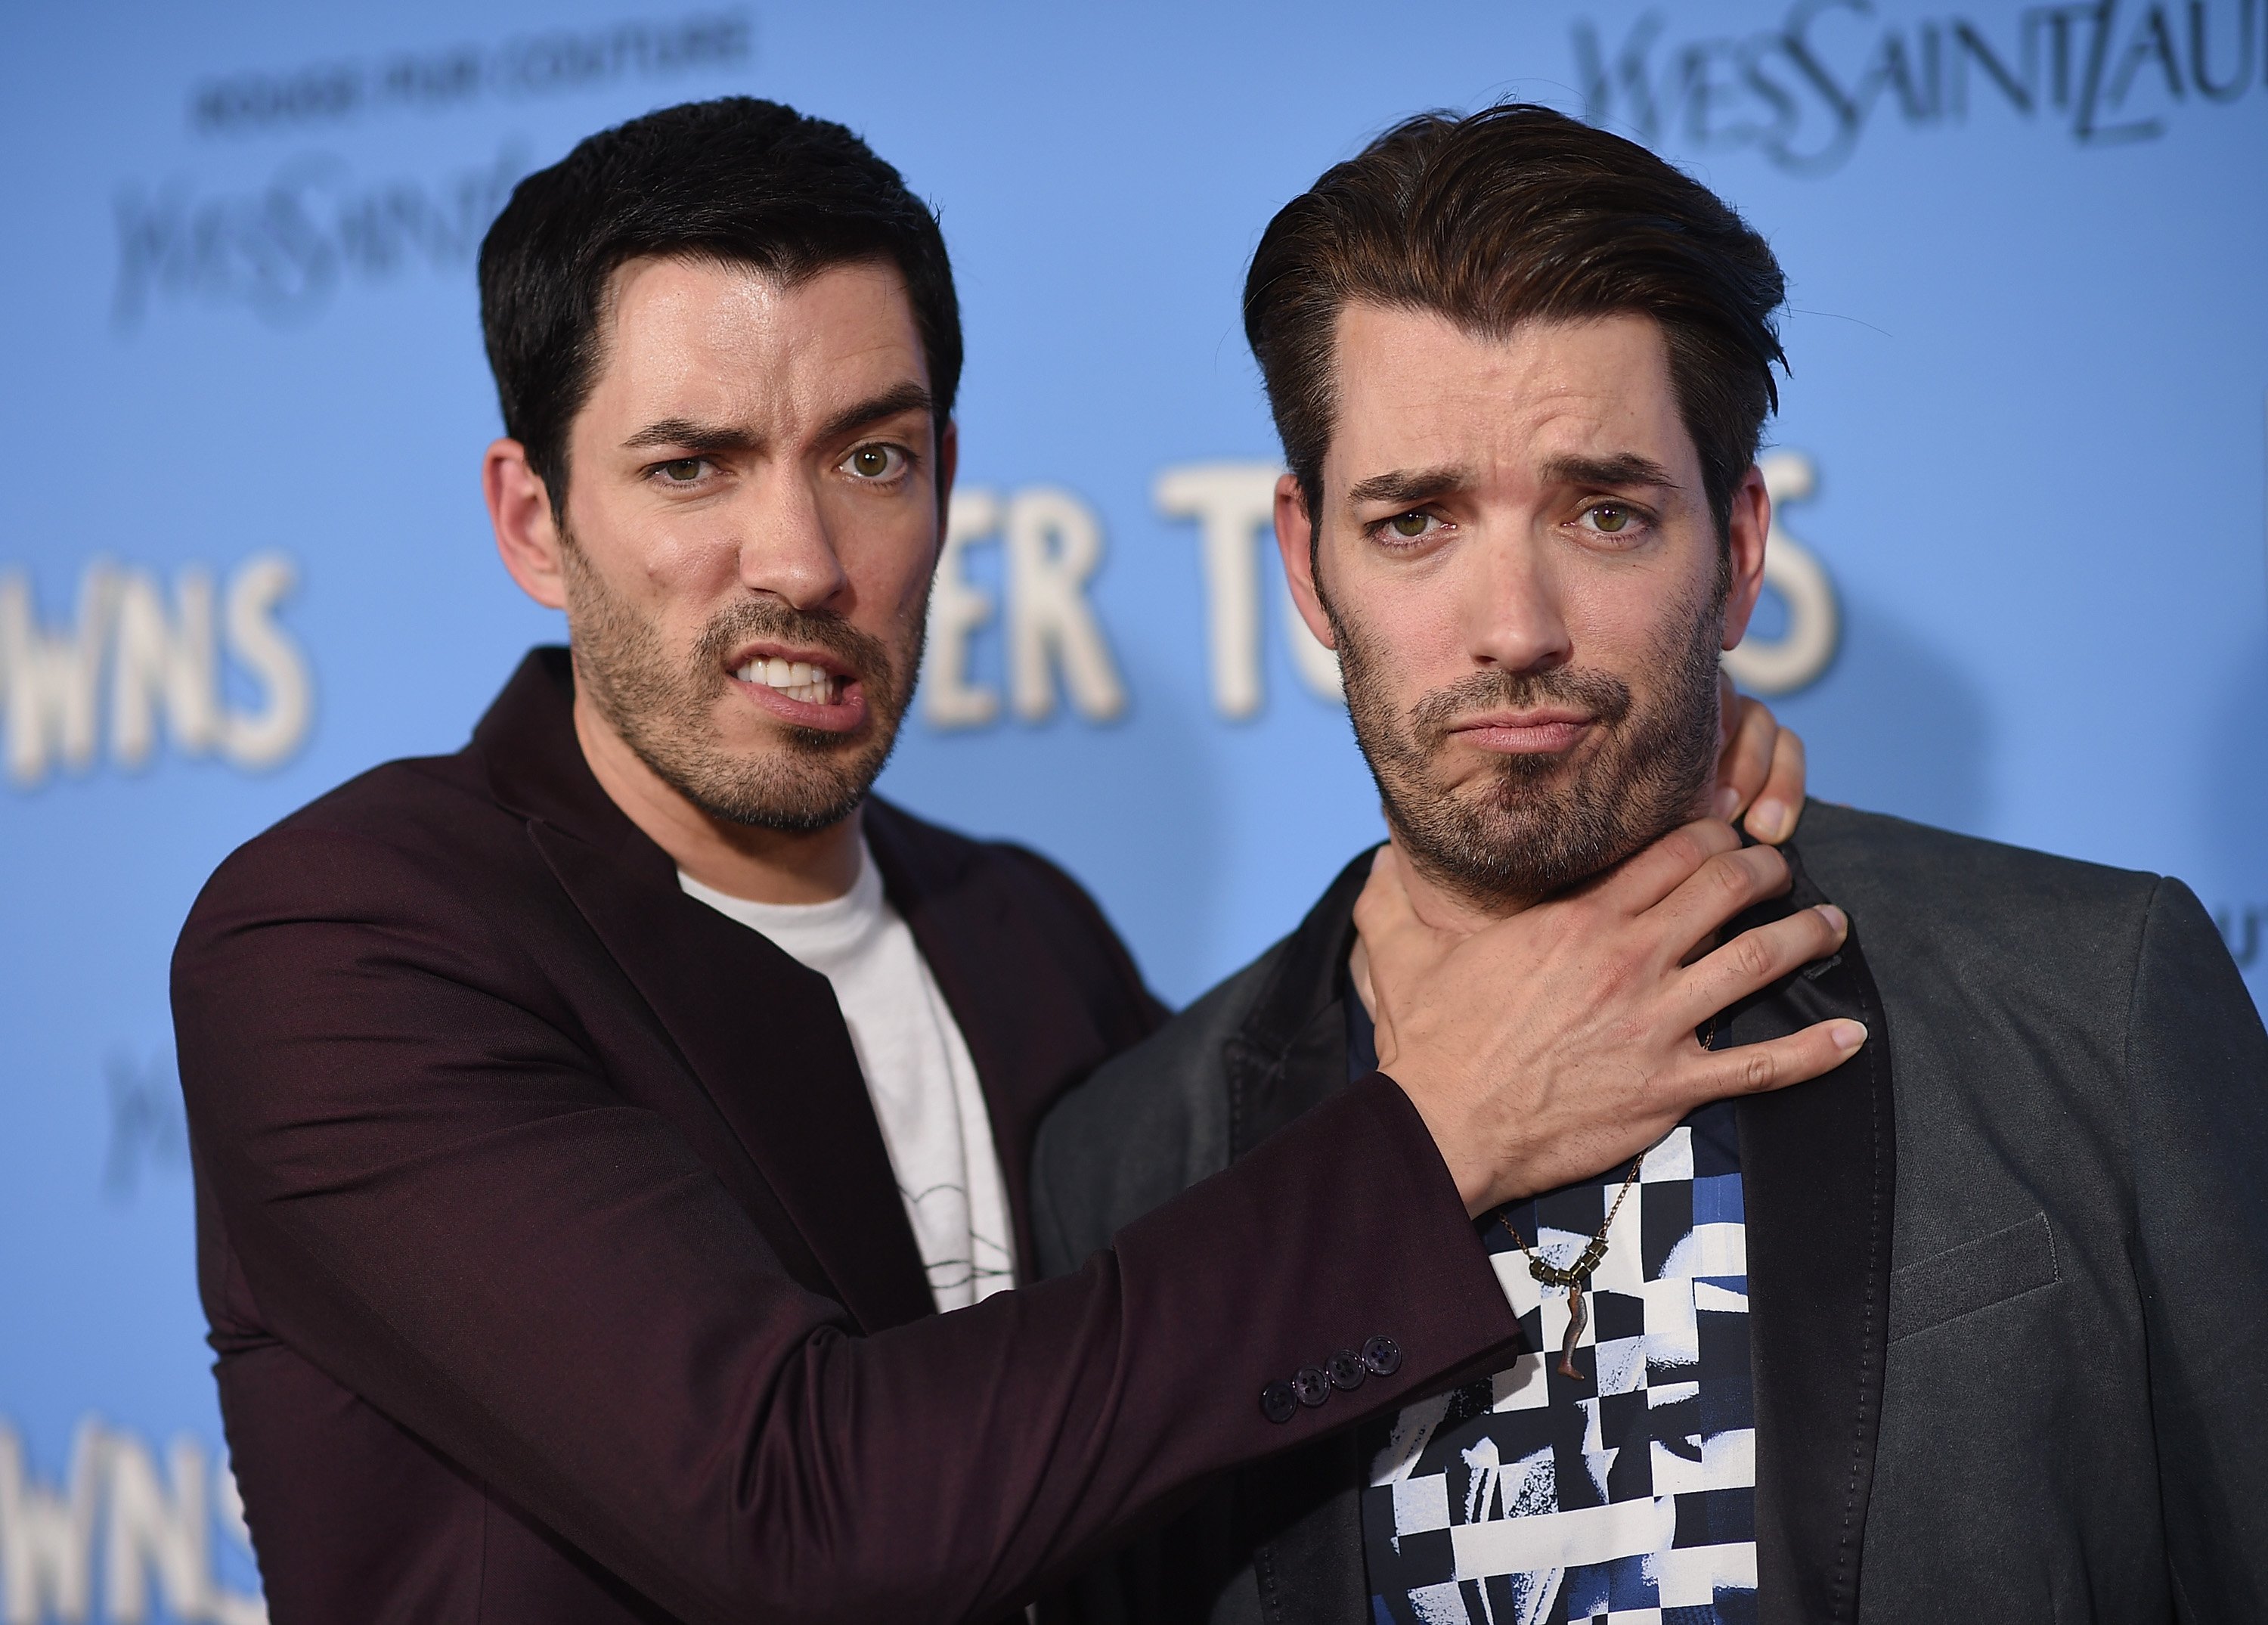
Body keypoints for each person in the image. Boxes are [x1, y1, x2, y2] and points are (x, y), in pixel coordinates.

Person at [172, 98, 1830, 1623]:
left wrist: (1624, 765)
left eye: (869, 457)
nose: (804, 560)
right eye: (693, 467)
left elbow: (1183, 1353)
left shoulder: (1023, 931)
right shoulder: (348, 941)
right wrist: (1435, 1135)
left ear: (948, 484)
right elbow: (801, 1516)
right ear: (536, 520)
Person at [1033, 104, 2268, 1625]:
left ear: (1740, 548)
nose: (1516, 624)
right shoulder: (1134, 1162)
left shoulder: (2094, 1007)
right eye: (1415, 522)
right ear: (1304, 563)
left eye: (1606, 512)